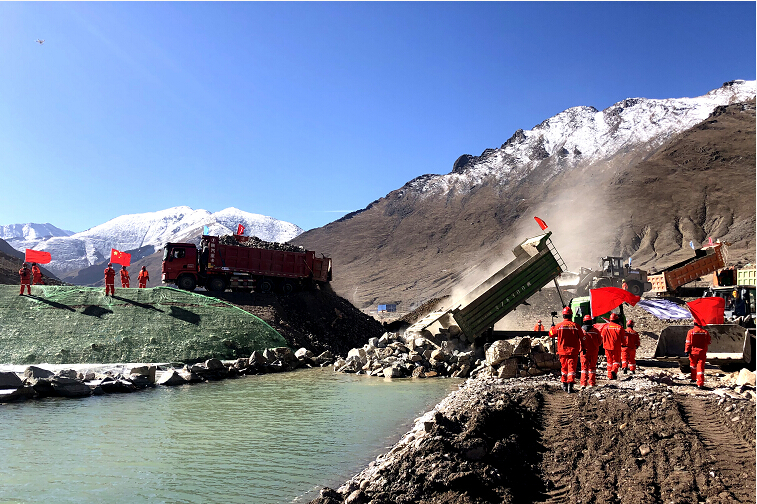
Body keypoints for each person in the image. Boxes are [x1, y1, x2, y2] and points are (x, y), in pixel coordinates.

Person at [554, 306, 582, 393]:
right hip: (573, 351)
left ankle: (564, 384)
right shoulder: (576, 326)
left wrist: (552, 327)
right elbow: (582, 337)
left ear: (563, 316)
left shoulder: (559, 326)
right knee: (572, 368)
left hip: (562, 351)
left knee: (564, 368)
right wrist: (583, 348)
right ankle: (570, 384)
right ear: (571, 315)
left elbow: (551, 334)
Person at [685, 321, 711, 388]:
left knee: (693, 365)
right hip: (702, 352)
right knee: (700, 367)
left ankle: (694, 378)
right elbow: (709, 341)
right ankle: (700, 383)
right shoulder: (705, 332)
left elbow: (688, 342)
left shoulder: (690, 332)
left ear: (694, 324)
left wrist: (686, 350)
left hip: (693, 352)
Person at [600, 312, 625, 380]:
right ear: (617, 320)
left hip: (607, 347)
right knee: (616, 361)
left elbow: (602, 337)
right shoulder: (619, 327)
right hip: (616, 347)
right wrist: (624, 344)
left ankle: (610, 376)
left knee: (609, 362)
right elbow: (623, 338)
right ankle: (614, 371)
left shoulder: (605, 327)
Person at [580, 315, 602, 388]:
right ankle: (592, 383)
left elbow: (578, 341)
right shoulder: (596, 331)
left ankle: (583, 383)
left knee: (584, 368)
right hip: (594, 352)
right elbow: (600, 341)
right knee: (592, 368)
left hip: (584, 352)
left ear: (584, 321)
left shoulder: (581, 331)